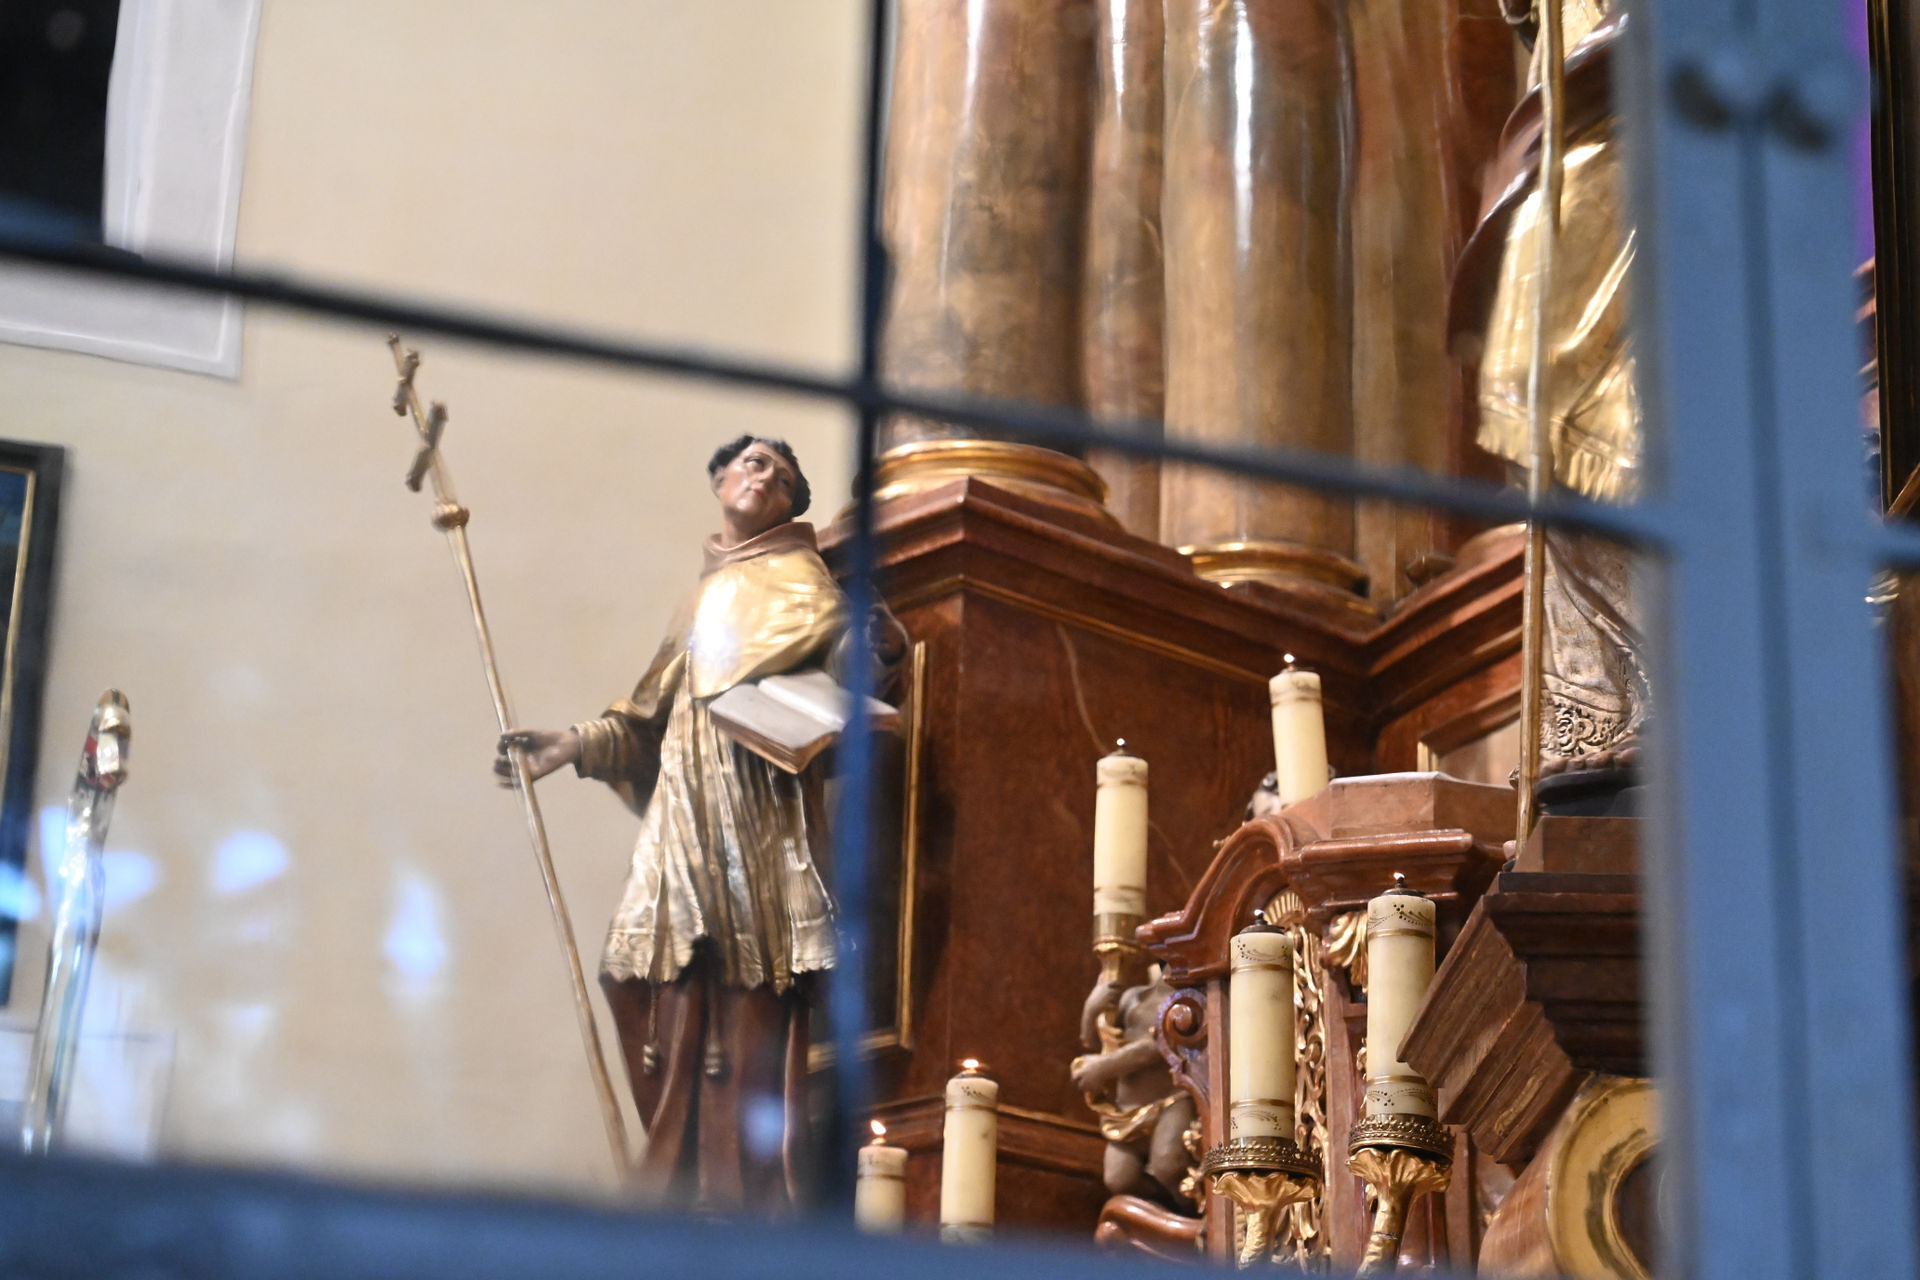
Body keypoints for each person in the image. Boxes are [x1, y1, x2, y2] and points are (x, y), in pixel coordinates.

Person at [497, 435, 902, 1212]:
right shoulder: (701, 595)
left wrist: (871, 642)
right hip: (680, 818)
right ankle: (680, 1174)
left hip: (754, 817)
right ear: (719, 479)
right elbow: (648, 720)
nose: (764, 477)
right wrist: (574, 745)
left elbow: (852, 663)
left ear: (790, 507)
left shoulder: (803, 577)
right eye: (752, 463)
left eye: (782, 476)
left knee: (743, 996)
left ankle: (738, 1197)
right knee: (632, 979)